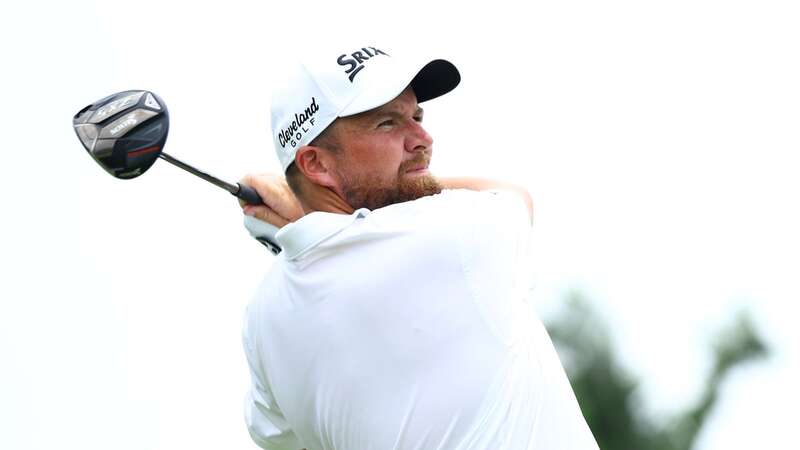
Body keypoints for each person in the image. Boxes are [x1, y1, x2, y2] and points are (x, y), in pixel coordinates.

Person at [238, 45, 599, 450]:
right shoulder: (453, 235)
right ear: (316, 165)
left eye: (417, 116)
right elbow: (514, 195)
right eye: (387, 124)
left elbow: (274, 436)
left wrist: (308, 217)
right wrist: (302, 211)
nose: (422, 139)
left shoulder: (262, 319)